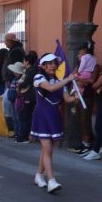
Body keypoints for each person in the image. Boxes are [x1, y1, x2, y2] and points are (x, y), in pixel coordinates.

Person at [31, 53, 79, 193]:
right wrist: (68, 79)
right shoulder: (38, 77)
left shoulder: (59, 81)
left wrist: (75, 96)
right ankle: (51, 180)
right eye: (50, 63)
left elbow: (66, 99)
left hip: (54, 117)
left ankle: (39, 176)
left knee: (47, 149)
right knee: (48, 149)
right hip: (42, 116)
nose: (53, 65)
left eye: (55, 63)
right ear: (43, 66)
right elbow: (50, 88)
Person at [73, 42, 97, 156]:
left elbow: (90, 80)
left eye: (79, 51)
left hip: (86, 95)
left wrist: (77, 76)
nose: (79, 54)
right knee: (82, 119)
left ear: (84, 50)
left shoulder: (85, 59)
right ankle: (84, 142)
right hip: (83, 92)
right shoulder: (93, 59)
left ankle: (87, 143)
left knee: (84, 119)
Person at [15, 51, 39, 142]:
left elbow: (26, 82)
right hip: (27, 96)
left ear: (28, 61)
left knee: (25, 117)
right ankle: (23, 135)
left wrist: (19, 85)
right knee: (24, 116)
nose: (23, 62)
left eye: (24, 61)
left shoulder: (31, 71)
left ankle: (24, 136)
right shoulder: (30, 70)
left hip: (28, 96)